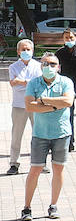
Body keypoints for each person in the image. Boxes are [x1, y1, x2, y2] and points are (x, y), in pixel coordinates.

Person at [21, 52, 73, 220]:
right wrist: (54, 105)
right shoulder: (34, 83)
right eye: (45, 64)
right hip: (40, 134)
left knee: (58, 169)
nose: (48, 67)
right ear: (40, 66)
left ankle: (53, 205)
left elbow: (68, 102)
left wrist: (42, 101)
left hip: (61, 133)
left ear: (58, 67)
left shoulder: (66, 82)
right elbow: (30, 106)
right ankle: (27, 207)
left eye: (52, 64)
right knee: (35, 169)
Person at [7, 38, 39, 174]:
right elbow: (13, 84)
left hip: (36, 104)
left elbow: (38, 85)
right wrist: (27, 83)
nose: (26, 51)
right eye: (23, 49)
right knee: (16, 135)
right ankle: (14, 163)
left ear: (32, 51)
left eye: (28, 49)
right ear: (18, 51)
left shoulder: (38, 66)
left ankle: (39, 162)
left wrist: (22, 82)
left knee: (39, 134)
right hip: (19, 105)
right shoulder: (13, 67)